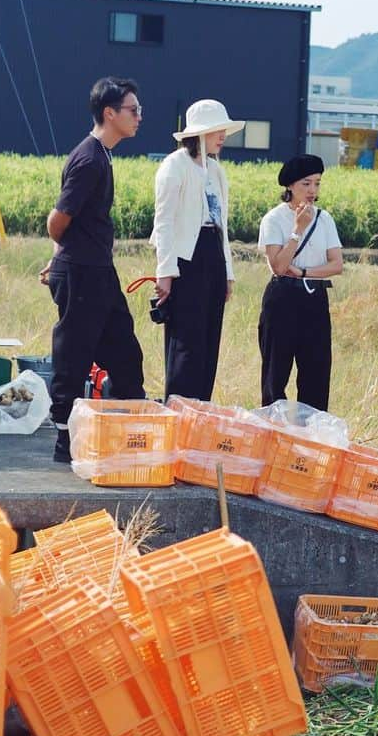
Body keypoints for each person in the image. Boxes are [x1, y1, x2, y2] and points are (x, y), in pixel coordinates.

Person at [41, 77, 145, 462]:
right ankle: (65, 440)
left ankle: (124, 430)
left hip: (99, 270)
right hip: (82, 271)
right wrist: (61, 256)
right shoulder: (88, 159)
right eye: (133, 110)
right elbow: (58, 219)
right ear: (109, 113)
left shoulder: (104, 154)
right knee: (74, 356)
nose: (139, 117)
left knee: (125, 355)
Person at [151, 99, 240, 402]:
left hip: (212, 253)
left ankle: (201, 411)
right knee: (185, 341)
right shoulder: (175, 165)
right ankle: (178, 411)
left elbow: (222, 225)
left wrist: (227, 272)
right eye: (217, 130)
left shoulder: (216, 170)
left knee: (208, 339)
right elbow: (163, 222)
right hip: (185, 258)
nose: (222, 136)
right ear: (199, 133)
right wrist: (165, 272)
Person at [257, 155, 343, 411]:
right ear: (291, 186)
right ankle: (273, 430)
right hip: (282, 298)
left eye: (317, 184)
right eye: (306, 184)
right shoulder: (273, 219)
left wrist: (305, 271)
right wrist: (297, 230)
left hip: (315, 298)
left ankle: (310, 436)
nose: (312, 191)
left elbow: (336, 264)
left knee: (316, 373)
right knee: (276, 372)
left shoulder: (325, 219)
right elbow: (279, 266)